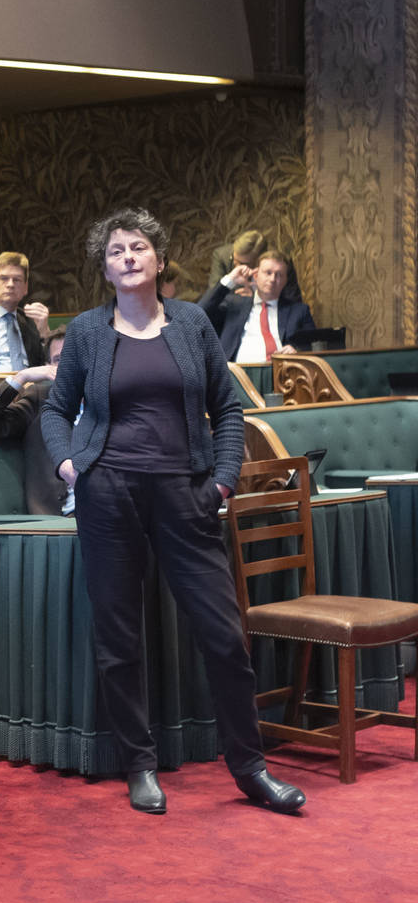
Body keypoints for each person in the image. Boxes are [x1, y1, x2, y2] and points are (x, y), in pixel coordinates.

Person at [40, 207, 304, 816]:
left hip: (186, 492)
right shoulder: (85, 331)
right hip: (108, 494)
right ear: (105, 268)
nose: (127, 257)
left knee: (223, 633)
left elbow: (229, 409)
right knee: (120, 636)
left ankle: (251, 768)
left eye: (138, 248)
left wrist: (221, 483)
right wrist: (68, 465)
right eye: (115, 251)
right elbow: (56, 411)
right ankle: (140, 764)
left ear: (159, 260)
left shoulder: (190, 324)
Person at [0, 330, 68, 514]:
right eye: (59, 359)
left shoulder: (111, 399)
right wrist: (21, 377)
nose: (68, 364)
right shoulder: (39, 398)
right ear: (47, 366)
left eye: (74, 355)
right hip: (59, 518)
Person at [200, 250, 316, 362]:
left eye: (279, 275)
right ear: (255, 275)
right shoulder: (234, 305)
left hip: (281, 375)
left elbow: (315, 344)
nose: (272, 279)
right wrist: (231, 279)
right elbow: (199, 313)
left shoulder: (299, 311)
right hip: (237, 375)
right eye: (268, 273)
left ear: (285, 280)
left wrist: (298, 351)